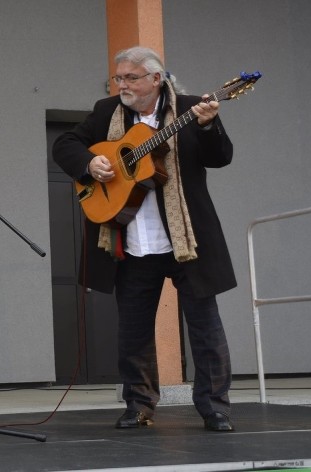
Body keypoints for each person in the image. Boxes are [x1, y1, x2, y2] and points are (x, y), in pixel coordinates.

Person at [52, 46, 237, 432]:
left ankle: (215, 406)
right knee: (134, 331)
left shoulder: (190, 108)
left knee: (205, 328)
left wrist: (207, 125)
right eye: (118, 78)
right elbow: (65, 144)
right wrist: (90, 163)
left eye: (130, 78)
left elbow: (220, 158)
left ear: (156, 79)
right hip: (132, 241)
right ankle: (139, 405)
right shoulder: (106, 113)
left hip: (187, 242)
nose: (122, 85)